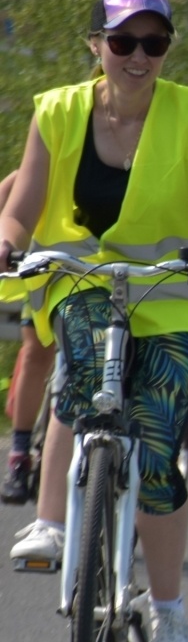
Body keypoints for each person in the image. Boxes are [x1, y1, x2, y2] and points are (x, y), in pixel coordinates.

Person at [3, 0, 188, 642]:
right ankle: (52, 521)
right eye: (122, 41)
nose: (138, 55)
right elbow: (21, 204)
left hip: (175, 293)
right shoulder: (58, 113)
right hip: (85, 282)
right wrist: (7, 238)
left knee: (157, 443)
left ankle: (168, 608)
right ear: (97, 46)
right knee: (84, 376)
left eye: (153, 43)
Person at [1, 169, 58, 505]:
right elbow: (9, 192)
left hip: (105, 274)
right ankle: (20, 455)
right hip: (45, 273)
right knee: (36, 353)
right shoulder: (53, 144)